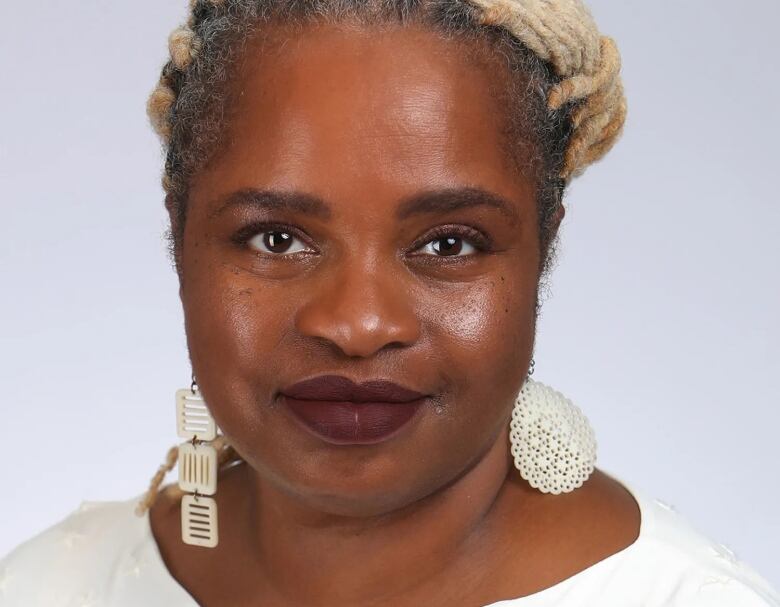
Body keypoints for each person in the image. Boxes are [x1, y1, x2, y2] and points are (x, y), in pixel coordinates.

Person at [1, 0, 778, 605]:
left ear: (544, 249)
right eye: (276, 238)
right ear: (179, 237)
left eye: (448, 244)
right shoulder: (46, 587)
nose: (357, 324)